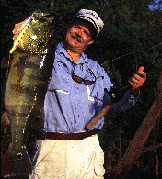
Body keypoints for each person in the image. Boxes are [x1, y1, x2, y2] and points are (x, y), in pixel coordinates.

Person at [29, 9, 146, 179]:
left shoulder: (97, 70)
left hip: (89, 149)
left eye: (86, 33)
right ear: (69, 28)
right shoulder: (42, 56)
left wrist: (133, 90)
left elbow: (113, 106)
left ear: (90, 41)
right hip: (50, 149)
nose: (79, 34)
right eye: (78, 27)